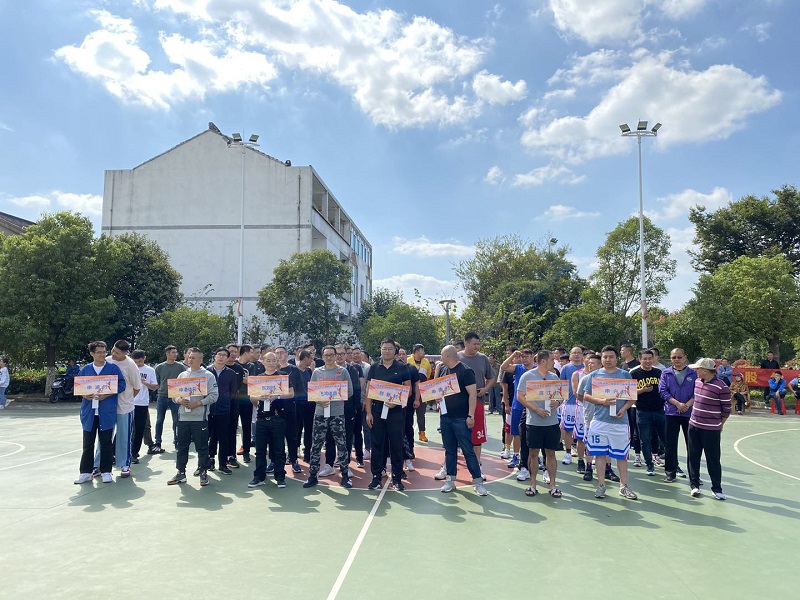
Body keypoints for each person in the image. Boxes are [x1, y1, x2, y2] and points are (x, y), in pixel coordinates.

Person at [582, 346, 638, 500]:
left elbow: (632, 397)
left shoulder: (625, 375)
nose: (608, 360)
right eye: (605, 357)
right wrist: (602, 402)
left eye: (611, 357)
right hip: (599, 421)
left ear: (616, 358)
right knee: (600, 454)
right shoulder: (594, 375)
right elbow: (586, 396)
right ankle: (601, 485)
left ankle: (623, 486)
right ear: (601, 359)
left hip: (620, 423)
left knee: (621, 456)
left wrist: (624, 409)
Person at [436, 345, 488, 496]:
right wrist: (437, 397)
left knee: (468, 451)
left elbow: (472, 394)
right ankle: (450, 480)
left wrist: (470, 416)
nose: (440, 358)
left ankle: (478, 482)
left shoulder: (465, 371)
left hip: (461, 418)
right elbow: (440, 390)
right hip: (445, 417)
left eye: (442, 355)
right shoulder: (444, 370)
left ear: (448, 356)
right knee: (450, 450)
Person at [74, 342, 126, 484]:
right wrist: (84, 395)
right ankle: (85, 472)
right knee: (88, 444)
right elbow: (78, 387)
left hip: (106, 412)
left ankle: (106, 472)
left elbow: (122, 384)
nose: (103, 355)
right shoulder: (86, 369)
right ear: (92, 354)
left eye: (104, 352)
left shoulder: (113, 368)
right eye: (99, 352)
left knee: (106, 443)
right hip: (89, 413)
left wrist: (106, 394)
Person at [303, 346, 353, 489]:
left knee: (341, 444)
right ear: (322, 356)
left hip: (337, 414)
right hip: (320, 414)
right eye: (326, 355)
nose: (329, 357)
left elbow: (349, 392)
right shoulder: (317, 372)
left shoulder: (343, 372)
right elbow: (311, 392)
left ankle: (344, 475)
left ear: (336, 356)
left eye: (331, 355)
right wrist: (320, 399)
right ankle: (312, 476)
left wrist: (335, 396)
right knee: (316, 445)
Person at [167, 348, 219, 487]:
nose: (190, 360)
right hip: (183, 418)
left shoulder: (208, 376)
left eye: (194, 358)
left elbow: (214, 396)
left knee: (201, 447)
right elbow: (174, 395)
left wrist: (198, 403)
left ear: (200, 360)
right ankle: (181, 473)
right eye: (189, 357)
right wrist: (179, 400)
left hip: (199, 418)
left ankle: (203, 472)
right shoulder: (182, 375)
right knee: (182, 447)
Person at [516, 350, 564, 498]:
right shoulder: (527, 376)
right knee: (533, 453)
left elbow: (561, 396)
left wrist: (558, 402)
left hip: (551, 422)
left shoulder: (554, 377)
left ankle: (553, 485)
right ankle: (533, 484)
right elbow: (520, 396)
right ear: (544, 361)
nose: (554, 362)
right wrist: (536, 409)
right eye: (551, 360)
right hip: (534, 422)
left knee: (551, 453)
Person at [365, 338, 410, 491]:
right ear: (381, 349)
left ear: (394, 351)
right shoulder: (374, 368)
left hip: (396, 413)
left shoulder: (402, 367)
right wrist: (369, 412)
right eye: (384, 348)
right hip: (377, 412)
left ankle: (397, 478)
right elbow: (369, 391)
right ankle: (376, 477)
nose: (387, 351)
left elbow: (408, 389)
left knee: (396, 445)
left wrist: (396, 402)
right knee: (377, 444)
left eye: (390, 349)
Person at [686, 358, 731, 500]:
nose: (696, 371)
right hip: (693, 426)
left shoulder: (721, 387)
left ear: (705, 371)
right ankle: (694, 485)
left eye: (698, 369)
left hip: (711, 430)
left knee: (713, 459)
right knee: (693, 456)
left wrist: (719, 425)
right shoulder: (697, 382)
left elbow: (726, 410)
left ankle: (717, 489)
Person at [249, 352, 295, 489]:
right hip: (262, 418)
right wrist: (259, 398)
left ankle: (280, 476)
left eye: (273, 360)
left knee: (279, 449)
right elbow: (252, 397)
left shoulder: (283, 376)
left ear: (277, 362)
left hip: (278, 418)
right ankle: (259, 476)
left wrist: (277, 396)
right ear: (263, 361)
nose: (270, 363)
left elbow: (291, 393)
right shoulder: (258, 378)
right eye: (268, 360)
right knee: (260, 450)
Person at [99, 340, 141, 479]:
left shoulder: (131, 365)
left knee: (124, 437)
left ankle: (124, 464)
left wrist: (127, 399)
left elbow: (137, 387)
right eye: (113, 350)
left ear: (125, 353)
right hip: (106, 407)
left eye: (117, 352)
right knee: (104, 437)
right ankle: (98, 465)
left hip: (124, 408)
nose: (113, 354)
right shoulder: (107, 361)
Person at [658, 348, 697, 483]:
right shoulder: (666, 373)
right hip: (671, 412)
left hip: (689, 413)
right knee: (670, 444)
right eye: (673, 357)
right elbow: (663, 391)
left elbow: (697, 391)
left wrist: (687, 404)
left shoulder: (693, 373)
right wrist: (677, 404)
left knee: (692, 445)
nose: (676, 360)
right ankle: (670, 473)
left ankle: (694, 475)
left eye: (679, 357)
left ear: (685, 357)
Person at [629, 349, 665, 476]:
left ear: (654, 358)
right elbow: (628, 392)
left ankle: (673, 466)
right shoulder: (634, 373)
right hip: (643, 411)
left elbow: (664, 389)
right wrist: (642, 390)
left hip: (659, 410)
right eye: (645, 359)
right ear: (639, 359)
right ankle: (649, 465)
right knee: (644, 440)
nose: (647, 361)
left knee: (665, 439)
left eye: (650, 358)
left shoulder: (659, 372)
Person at [499, 348, 535, 470]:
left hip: (534, 406)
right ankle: (516, 456)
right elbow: (503, 367)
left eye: (527, 356)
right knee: (516, 432)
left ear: (533, 356)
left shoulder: (538, 369)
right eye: (522, 356)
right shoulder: (518, 368)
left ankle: (534, 457)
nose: (524, 359)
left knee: (533, 432)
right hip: (518, 405)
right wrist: (513, 355)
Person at [207, 347, 237, 475]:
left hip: (224, 410)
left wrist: (224, 401)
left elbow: (232, 392)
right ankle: (209, 460)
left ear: (227, 358)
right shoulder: (207, 371)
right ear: (214, 356)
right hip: (207, 409)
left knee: (223, 438)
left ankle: (223, 464)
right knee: (209, 437)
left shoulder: (231, 373)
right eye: (219, 354)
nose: (221, 357)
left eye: (224, 355)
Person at [276, 345, 304, 473]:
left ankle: (293, 460)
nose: (279, 355)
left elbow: (300, 390)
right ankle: (276, 462)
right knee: (276, 437)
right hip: (274, 409)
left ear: (287, 354)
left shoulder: (294, 370)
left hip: (291, 408)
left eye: (282, 352)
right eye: (277, 353)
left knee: (292, 436)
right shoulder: (270, 370)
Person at [153, 345, 186, 453]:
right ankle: (158, 442)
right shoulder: (159, 367)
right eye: (173, 352)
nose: (175, 354)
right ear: (167, 354)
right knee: (159, 420)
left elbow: (184, 380)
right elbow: (157, 382)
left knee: (176, 420)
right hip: (162, 396)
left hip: (176, 397)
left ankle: (177, 440)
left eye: (176, 352)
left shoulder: (180, 367)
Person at [559, 346, 585, 466]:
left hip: (584, 404)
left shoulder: (586, 367)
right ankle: (568, 453)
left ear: (583, 355)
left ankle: (586, 456)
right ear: (570, 355)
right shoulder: (565, 368)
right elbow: (561, 385)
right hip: (569, 404)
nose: (576, 355)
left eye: (579, 353)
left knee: (584, 431)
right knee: (568, 430)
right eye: (574, 353)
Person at [130, 350, 158, 463]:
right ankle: (117, 452)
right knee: (126, 428)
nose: (138, 364)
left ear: (144, 358)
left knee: (140, 429)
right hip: (129, 402)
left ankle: (134, 453)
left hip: (142, 403)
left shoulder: (150, 370)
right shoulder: (129, 368)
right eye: (135, 362)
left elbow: (154, 387)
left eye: (140, 361)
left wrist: (145, 382)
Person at [408, 344, 432, 440]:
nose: (424, 352)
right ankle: (408, 434)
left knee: (421, 414)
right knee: (409, 414)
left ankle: (422, 433)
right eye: (422, 351)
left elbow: (428, 375)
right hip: (410, 392)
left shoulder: (426, 362)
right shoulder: (408, 361)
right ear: (417, 351)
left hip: (423, 392)